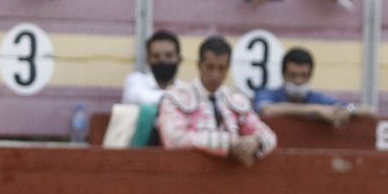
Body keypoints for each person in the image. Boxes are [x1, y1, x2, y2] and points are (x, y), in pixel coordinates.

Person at [158, 36, 278, 166]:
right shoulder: (176, 97)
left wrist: (256, 142)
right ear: (199, 65)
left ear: (228, 68)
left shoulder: (235, 99)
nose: (215, 75)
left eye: (221, 68)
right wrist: (230, 143)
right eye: (210, 67)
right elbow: (174, 139)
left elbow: (268, 135)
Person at [253, 47, 374, 126]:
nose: (299, 81)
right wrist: (316, 109)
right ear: (283, 74)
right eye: (293, 75)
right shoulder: (267, 93)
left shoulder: (316, 98)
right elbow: (267, 110)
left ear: (311, 75)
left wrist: (349, 110)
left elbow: (369, 110)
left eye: (304, 75)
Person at [123, 30, 183, 106]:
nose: (163, 60)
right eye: (156, 56)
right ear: (147, 60)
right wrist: (181, 99)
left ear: (179, 59)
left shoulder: (184, 88)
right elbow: (139, 98)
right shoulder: (135, 81)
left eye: (169, 55)